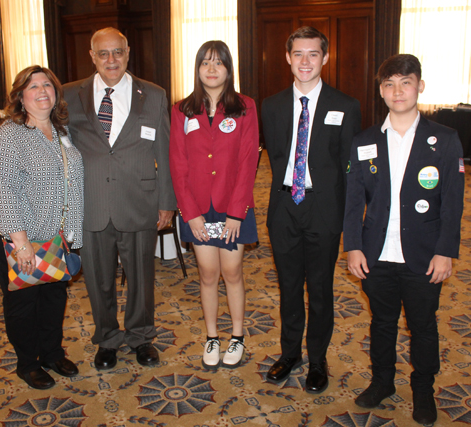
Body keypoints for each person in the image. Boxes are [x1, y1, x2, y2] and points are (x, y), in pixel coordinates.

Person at [343, 54, 464, 425]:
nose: (398, 91)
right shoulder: (365, 141)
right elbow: (352, 200)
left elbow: (454, 203)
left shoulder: (444, 140)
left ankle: (423, 389)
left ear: (420, 86)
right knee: (381, 321)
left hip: (424, 255)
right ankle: (383, 382)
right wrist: (353, 245)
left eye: (406, 82)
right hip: (376, 254)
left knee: (423, 325)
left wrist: (445, 251)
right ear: (381, 91)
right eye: (390, 84)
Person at [63, 27, 176, 370]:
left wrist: (167, 202)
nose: (111, 60)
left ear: (128, 53)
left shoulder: (154, 94)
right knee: (98, 280)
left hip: (139, 201)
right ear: (92, 56)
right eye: (103, 53)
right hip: (91, 202)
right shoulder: (69, 95)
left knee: (142, 276)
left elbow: (166, 151)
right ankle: (108, 340)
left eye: (118, 52)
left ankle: (141, 337)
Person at [261, 26, 361, 391]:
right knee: (288, 287)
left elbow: (349, 170)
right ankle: (290, 354)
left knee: (319, 289)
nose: (305, 61)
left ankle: (318, 361)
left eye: (313, 54)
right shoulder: (270, 106)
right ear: (288, 58)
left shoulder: (346, 106)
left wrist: (351, 225)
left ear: (325, 58)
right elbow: (274, 158)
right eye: (298, 54)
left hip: (324, 210)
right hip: (284, 207)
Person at [0, 65, 84, 389]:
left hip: (55, 234)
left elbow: (73, 183)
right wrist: (21, 244)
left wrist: (72, 234)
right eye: (33, 87)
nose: (42, 92)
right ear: (20, 97)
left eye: (47, 86)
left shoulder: (60, 132)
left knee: (54, 295)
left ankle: (52, 353)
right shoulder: (8, 136)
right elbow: (2, 194)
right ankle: (28, 363)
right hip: (17, 235)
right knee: (24, 302)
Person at [169, 41, 259, 370]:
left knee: (233, 272)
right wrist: (190, 214)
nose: (211, 69)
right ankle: (211, 336)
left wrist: (237, 213)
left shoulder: (245, 107)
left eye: (218, 63)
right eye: (205, 63)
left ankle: (236, 336)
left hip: (232, 206)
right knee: (208, 273)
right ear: (197, 69)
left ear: (228, 69)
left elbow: (249, 162)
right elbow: (177, 164)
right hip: (197, 209)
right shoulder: (181, 110)